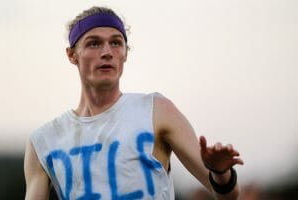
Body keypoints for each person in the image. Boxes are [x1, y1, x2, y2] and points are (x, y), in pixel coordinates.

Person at [24, 6, 244, 200]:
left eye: (116, 43)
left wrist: (220, 172)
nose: (107, 52)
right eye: (94, 44)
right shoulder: (43, 141)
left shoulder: (156, 111)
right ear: (72, 55)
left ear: (125, 54)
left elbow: (227, 195)